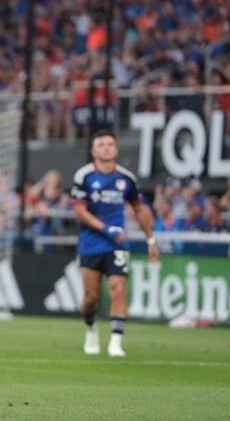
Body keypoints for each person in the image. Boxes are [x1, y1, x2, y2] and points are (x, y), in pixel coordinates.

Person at [70, 130, 158, 357]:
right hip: (91, 243)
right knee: (90, 298)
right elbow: (79, 211)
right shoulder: (84, 176)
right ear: (93, 150)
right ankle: (91, 329)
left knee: (118, 290)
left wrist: (151, 239)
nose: (106, 148)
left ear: (116, 149)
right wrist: (106, 228)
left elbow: (139, 209)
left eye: (110, 144)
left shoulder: (127, 179)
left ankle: (116, 342)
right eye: (101, 144)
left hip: (118, 244)